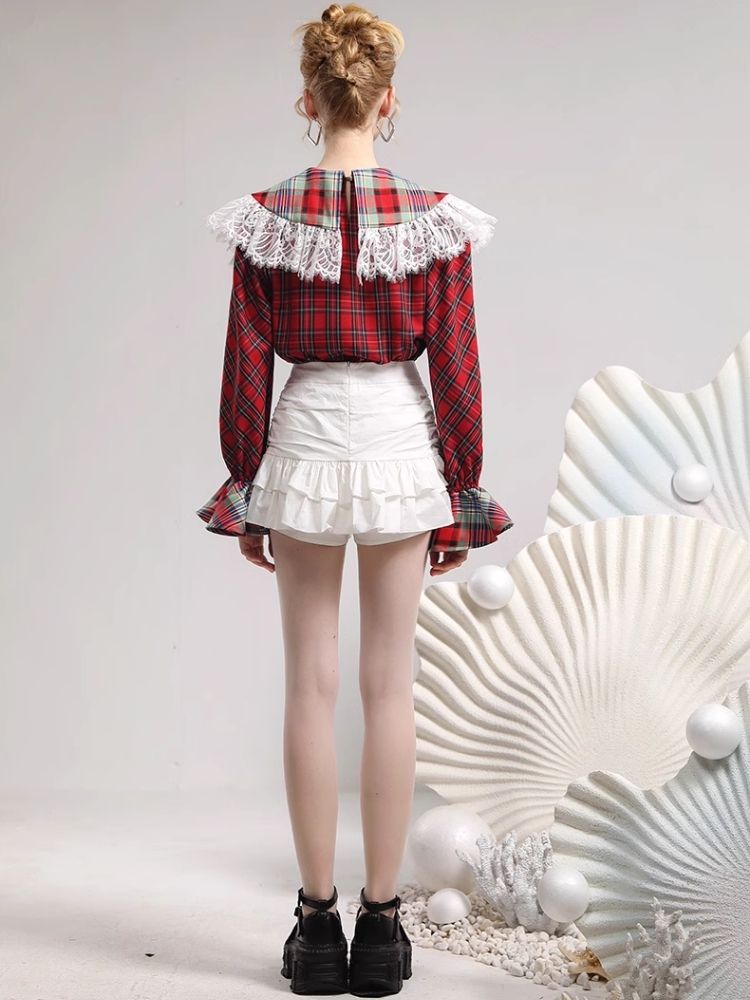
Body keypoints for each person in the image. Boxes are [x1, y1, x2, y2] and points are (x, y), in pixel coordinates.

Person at [196, 4, 514, 995]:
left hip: (301, 439)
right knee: (389, 687)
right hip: (395, 443)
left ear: (308, 100)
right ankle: (383, 930)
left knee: (309, 683)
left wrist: (246, 480)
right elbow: (456, 368)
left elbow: (246, 365)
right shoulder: (434, 219)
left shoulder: (265, 218)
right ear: (387, 101)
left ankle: (316, 924)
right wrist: (460, 487)